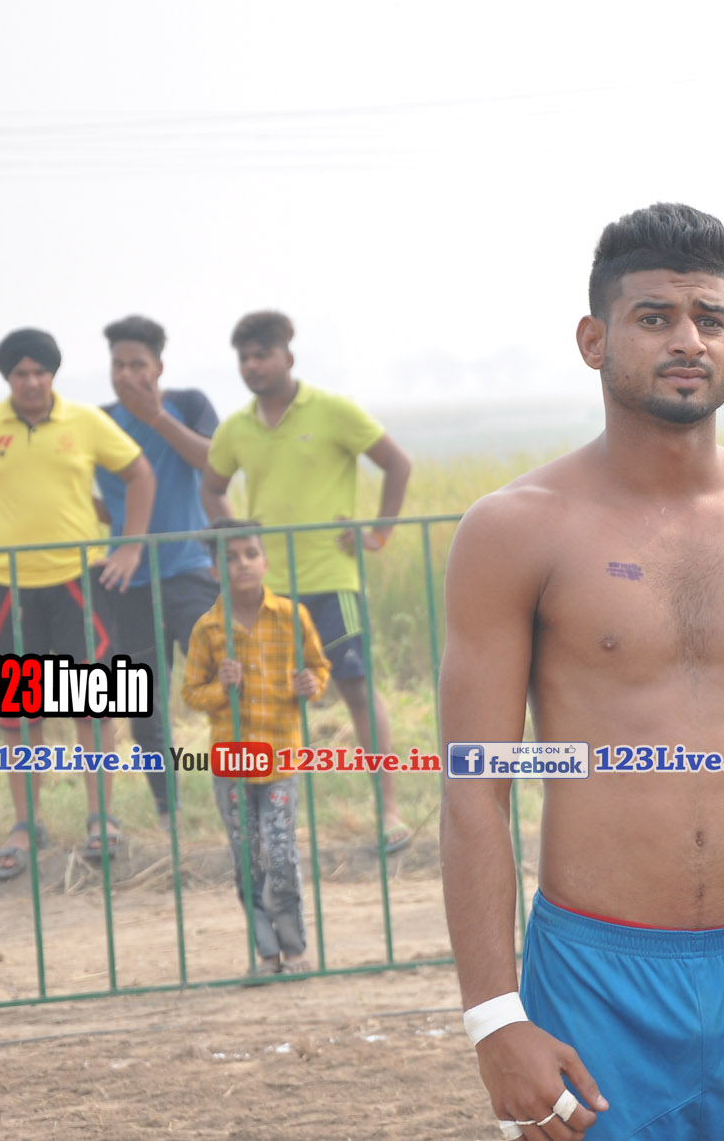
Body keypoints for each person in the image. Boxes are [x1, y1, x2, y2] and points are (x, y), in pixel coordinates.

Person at [440, 203, 724, 1141]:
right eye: (654, 317)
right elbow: (474, 787)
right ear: (594, 340)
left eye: (709, 318)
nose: (687, 340)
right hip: (595, 975)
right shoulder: (515, 528)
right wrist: (494, 1017)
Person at [0, 329, 156, 879]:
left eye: (40, 372)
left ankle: (101, 818)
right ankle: (27, 825)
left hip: (79, 583)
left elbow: (139, 472)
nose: (31, 382)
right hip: (8, 587)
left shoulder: (85, 422)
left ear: (53, 374)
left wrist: (130, 545)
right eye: (21, 373)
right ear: (8, 378)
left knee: (93, 708)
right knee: (17, 712)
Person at [202, 311, 415, 853]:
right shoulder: (235, 428)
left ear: (288, 358)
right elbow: (212, 486)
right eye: (244, 358)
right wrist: (236, 544)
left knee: (356, 689)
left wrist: (378, 533)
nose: (253, 366)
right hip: (266, 591)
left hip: (331, 580)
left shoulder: (333, 410)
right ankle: (273, 825)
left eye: (262, 355)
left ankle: (388, 812)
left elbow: (396, 463)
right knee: (262, 699)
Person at [95, 315, 229, 829]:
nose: (127, 375)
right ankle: (168, 810)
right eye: (118, 365)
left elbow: (213, 461)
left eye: (138, 364)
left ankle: (241, 792)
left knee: (223, 685)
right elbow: (87, 495)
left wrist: (154, 416)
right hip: (127, 581)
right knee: (143, 706)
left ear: (159, 368)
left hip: (192, 570)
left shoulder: (189, 404)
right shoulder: (98, 421)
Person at [182, 518, 329, 976]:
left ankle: (295, 949)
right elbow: (191, 693)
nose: (242, 564)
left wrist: (311, 684)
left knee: (280, 854)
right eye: (229, 557)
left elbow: (318, 668)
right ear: (214, 570)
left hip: (281, 757)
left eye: (250, 554)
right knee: (248, 860)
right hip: (231, 763)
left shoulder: (291, 616)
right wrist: (222, 688)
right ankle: (266, 953)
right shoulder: (208, 629)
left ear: (265, 561)